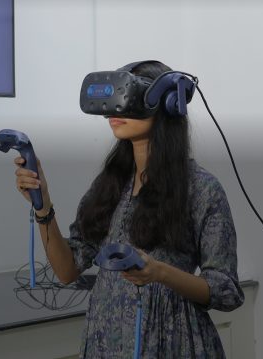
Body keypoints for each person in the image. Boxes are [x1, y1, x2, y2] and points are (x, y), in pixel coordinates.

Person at [12, 61, 244, 358]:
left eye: (127, 99)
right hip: (105, 340)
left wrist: (159, 272)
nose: (115, 111)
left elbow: (226, 291)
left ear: (168, 104)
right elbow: (67, 270)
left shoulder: (201, 189)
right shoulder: (109, 185)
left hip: (172, 343)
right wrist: (42, 203)